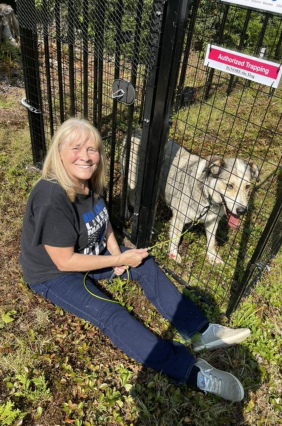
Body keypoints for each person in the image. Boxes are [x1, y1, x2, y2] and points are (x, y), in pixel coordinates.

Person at [20, 117, 251, 402]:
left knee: (144, 263)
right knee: (111, 314)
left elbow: (102, 223)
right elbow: (65, 262)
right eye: (76, 147)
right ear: (58, 152)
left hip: (89, 252)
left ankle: (201, 330)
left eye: (92, 149)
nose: (86, 156)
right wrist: (112, 261)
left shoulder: (86, 181)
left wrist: (119, 256)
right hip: (53, 274)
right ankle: (191, 372)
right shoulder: (50, 197)